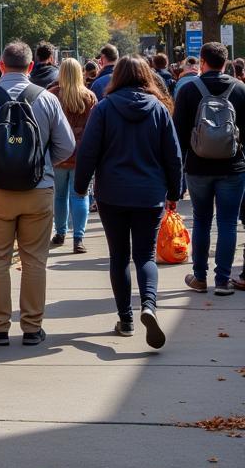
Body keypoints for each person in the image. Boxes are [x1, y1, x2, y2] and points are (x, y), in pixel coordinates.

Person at [0, 40, 76, 346]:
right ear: (31, 66)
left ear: (0, 65)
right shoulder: (47, 100)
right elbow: (67, 146)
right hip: (38, 190)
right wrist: (44, 166)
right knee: (35, 260)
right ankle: (32, 327)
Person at [75, 56, 182, 346]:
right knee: (145, 256)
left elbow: (88, 152)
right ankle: (148, 304)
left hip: (112, 193)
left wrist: (81, 186)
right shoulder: (159, 109)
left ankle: (126, 319)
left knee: (119, 256)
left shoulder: (105, 108)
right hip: (150, 194)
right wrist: (175, 192)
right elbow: (173, 155)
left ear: (117, 77)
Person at [172, 41, 245, 297]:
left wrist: (177, 169)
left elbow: (178, 134)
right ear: (225, 62)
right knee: (228, 222)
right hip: (233, 167)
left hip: (198, 167)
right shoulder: (240, 90)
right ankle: (223, 280)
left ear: (202, 62)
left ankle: (200, 277)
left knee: (202, 220)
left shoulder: (189, 90)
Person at [48, 58, 96, 252]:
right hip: (82, 155)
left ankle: (60, 232)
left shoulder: (52, 95)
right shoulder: (89, 97)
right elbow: (94, 127)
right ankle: (78, 238)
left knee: (58, 196)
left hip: (58, 154)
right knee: (80, 195)